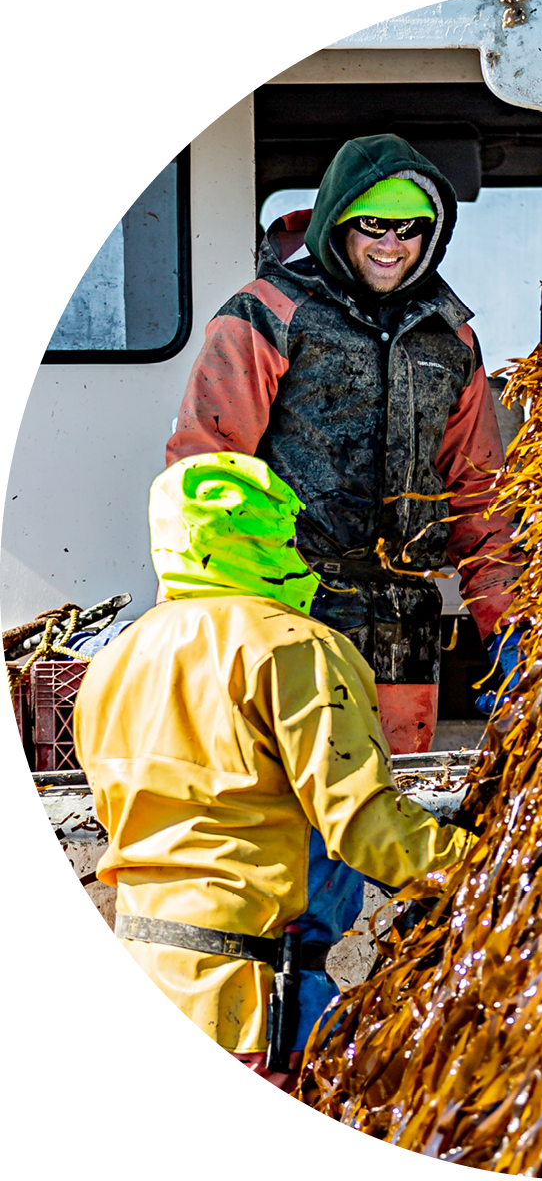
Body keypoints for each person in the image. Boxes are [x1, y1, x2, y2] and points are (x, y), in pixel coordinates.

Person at [73, 453, 475, 1091]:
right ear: (277, 536)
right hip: (257, 1003)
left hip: (143, 981)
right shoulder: (298, 647)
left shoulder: (114, 662)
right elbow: (365, 824)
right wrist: (492, 876)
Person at [165, 133, 522, 754]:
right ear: (337, 222)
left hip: (406, 622)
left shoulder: (451, 338)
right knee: (296, 808)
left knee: (386, 811)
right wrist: (228, 628)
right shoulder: (266, 315)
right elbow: (205, 473)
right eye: (373, 224)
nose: (392, 244)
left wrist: (511, 632)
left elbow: (479, 498)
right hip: (295, 614)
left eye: (410, 226)